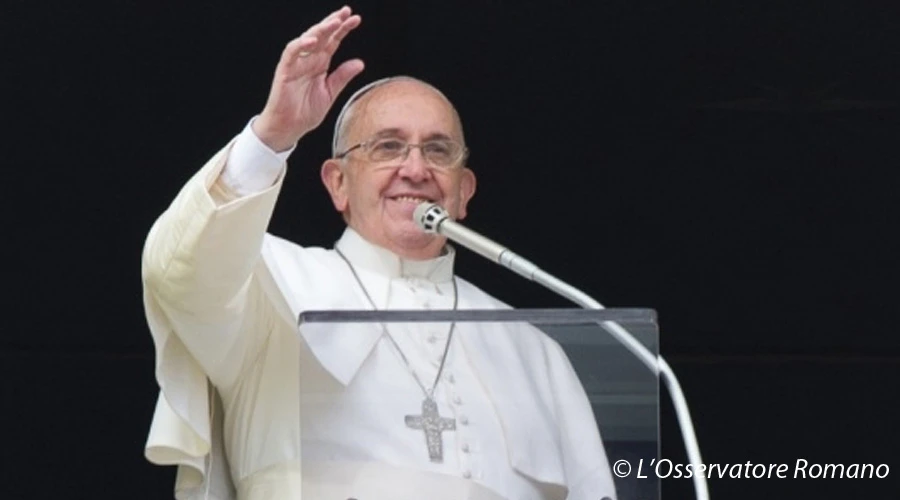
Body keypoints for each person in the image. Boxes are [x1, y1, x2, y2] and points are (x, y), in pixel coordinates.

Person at [141, 5, 617, 500]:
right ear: (338, 183)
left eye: (438, 150)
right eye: (388, 147)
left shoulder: (537, 353)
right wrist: (273, 135)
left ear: (464, 191)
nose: (416, 168)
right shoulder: (267, 284)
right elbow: (178, 273)